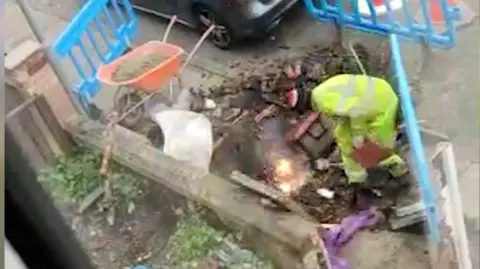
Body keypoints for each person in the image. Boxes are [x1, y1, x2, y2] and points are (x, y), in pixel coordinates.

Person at [285, 74, 409, 186]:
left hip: (381, 105)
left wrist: (358, 135)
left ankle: (397, 168)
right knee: (341, 134)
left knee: (372, 146)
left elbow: (357, 112)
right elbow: (347, 114)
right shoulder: (321, 91)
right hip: (378, 94)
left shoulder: (323, 102)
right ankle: (356, 177)